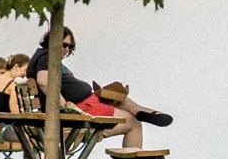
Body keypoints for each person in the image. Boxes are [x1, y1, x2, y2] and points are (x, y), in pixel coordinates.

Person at [25, 28, 170, 151]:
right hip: (82, 109)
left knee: (118, 97)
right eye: (64, 45)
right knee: (133, 124)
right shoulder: (47, 55)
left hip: (86, 103)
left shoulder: (42, 57)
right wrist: (65, 106)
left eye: (70, 47)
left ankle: (144, 112)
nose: (67, 50)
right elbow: (44, 82)